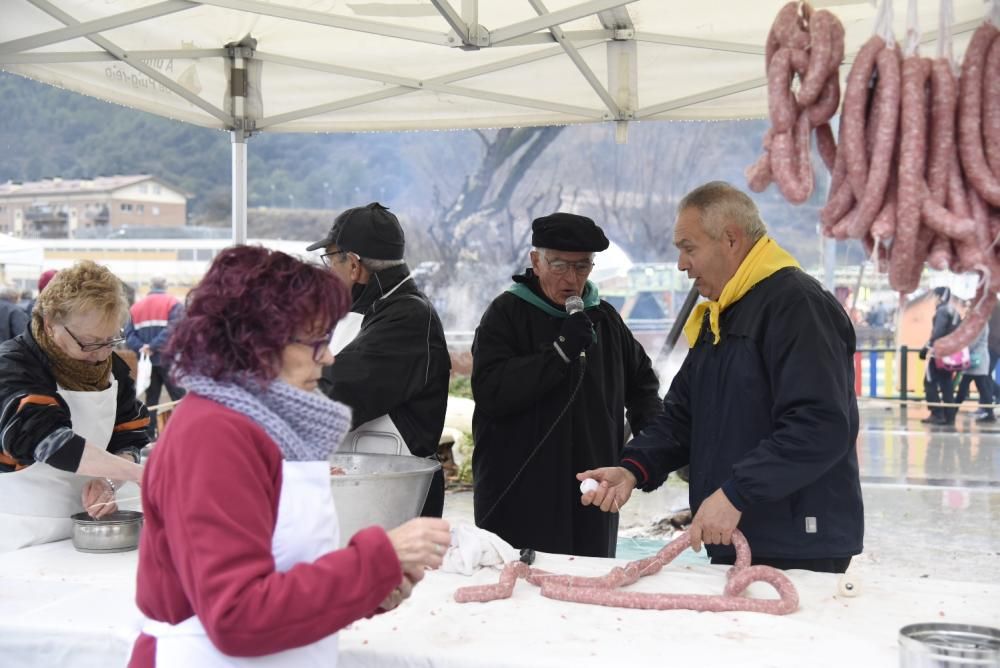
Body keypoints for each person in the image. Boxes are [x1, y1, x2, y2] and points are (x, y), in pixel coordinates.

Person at [130, 246, 450, 667]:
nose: (330, 356)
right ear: (258, 342)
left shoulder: (270, 425)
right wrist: (376, 560)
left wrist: (369, 588)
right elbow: (236, 614)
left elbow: (286, 571)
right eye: (317, 340)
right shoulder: (213, 433)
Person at [579, 182, 863, 573]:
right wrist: (632, 468)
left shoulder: (797, 305)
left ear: (730, 239)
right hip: (735, 533)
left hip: (796, 541)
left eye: (688, 248)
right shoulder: (724, 312)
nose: (681, 264)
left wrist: (734, 494)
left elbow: (819, 426)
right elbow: (680, 417)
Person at [470, 212, 662, 558]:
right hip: (520, 490)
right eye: (559, 266)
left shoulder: (604, 319)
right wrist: (559, 352)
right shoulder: (506, 314)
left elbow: (644, 389)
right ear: (536, 261)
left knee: (588, 587)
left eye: (582, 267)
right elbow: (490, 392)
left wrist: (649, 456)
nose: (571, 280)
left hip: (591, 487)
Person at [308, 203, 451, 517]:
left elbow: (337, 392)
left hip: (394, 497)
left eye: (331, 259)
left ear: (355, 266)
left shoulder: (407, 317)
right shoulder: (373, 310)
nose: (328, 272)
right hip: (363, 488)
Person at [0, 260, 147, 551]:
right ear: (50, 324)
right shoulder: (13, 366)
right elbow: (49, 440)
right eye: (90, 342)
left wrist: (109, 481)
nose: (101, 354)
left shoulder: (112, 369)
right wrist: (143, 476)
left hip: (86, 527)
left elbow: (129, 439)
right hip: (22, 530)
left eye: (111, 340)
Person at [125, 276, 187, 439]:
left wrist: (144, 348)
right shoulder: (173, 304)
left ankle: (148, 436)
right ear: (165, 286)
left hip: (147, 363)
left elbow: (129, 334)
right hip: (169, 359)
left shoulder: (136, 308)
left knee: (149, 400)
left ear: (150, 287)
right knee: (179, 400)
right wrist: (153, 346)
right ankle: (182, 434)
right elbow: (174, 329)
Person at [919, 287, 961, 426]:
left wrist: (926, 347)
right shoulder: (955, 311)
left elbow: (938, 332)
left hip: (939, 354)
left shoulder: (942, 311)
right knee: (946, 384)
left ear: (940, 297)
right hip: (951, 354)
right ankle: (949, 416)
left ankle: (936, 413)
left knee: (929, 382)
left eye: (935, 296)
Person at [955, 319, 995, 422]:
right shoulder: (979, 322)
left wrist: (960, 347)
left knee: (971, 388)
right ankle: (989, 413)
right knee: (979, 388)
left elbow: (973, 342)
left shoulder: (980, 323)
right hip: (975, 362)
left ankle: (952, 411)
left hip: (977, 361)